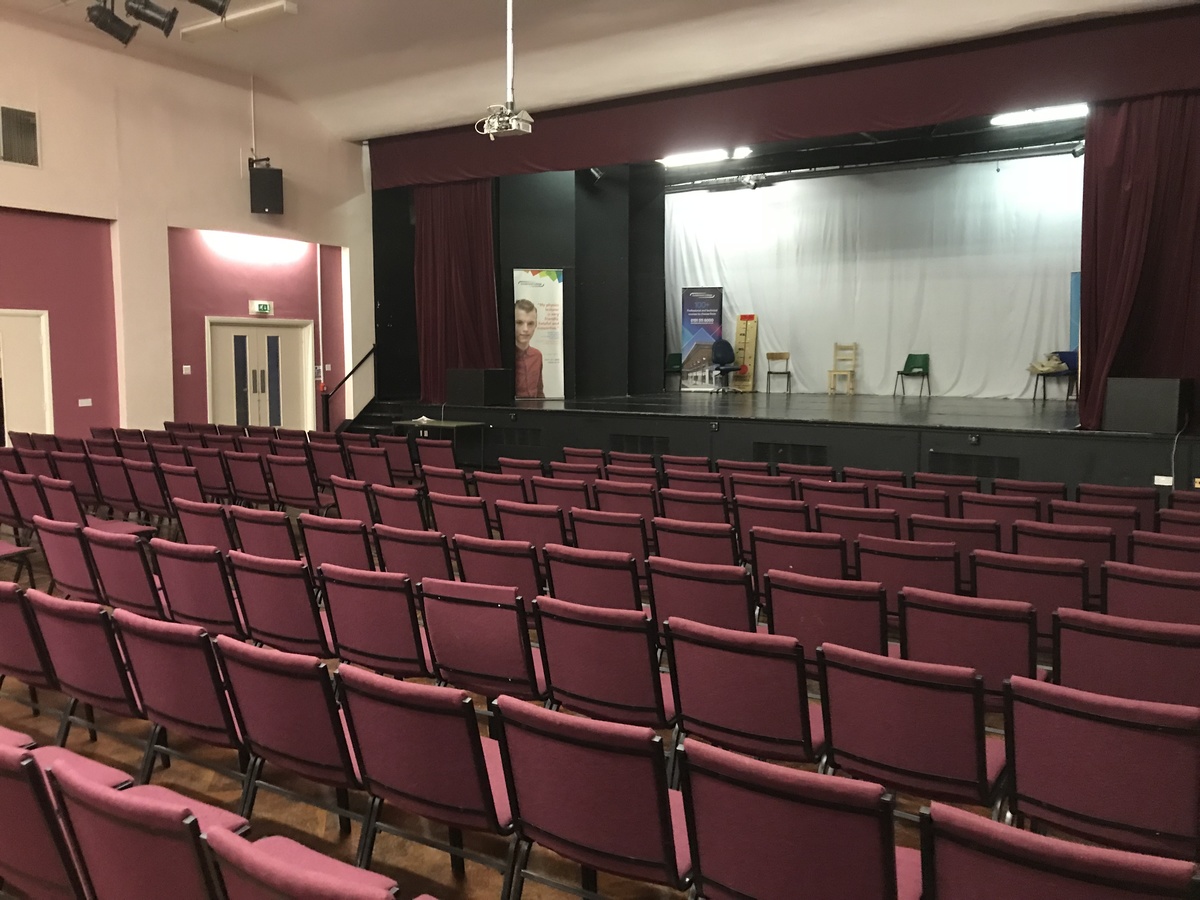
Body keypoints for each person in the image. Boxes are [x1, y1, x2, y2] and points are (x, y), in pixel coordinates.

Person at [514, 298, 544, 398]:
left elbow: (539, 391)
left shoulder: (537, 356)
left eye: (530, 324)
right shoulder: (502, 357)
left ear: (536, 325)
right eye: (519, 323)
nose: (525, 329)